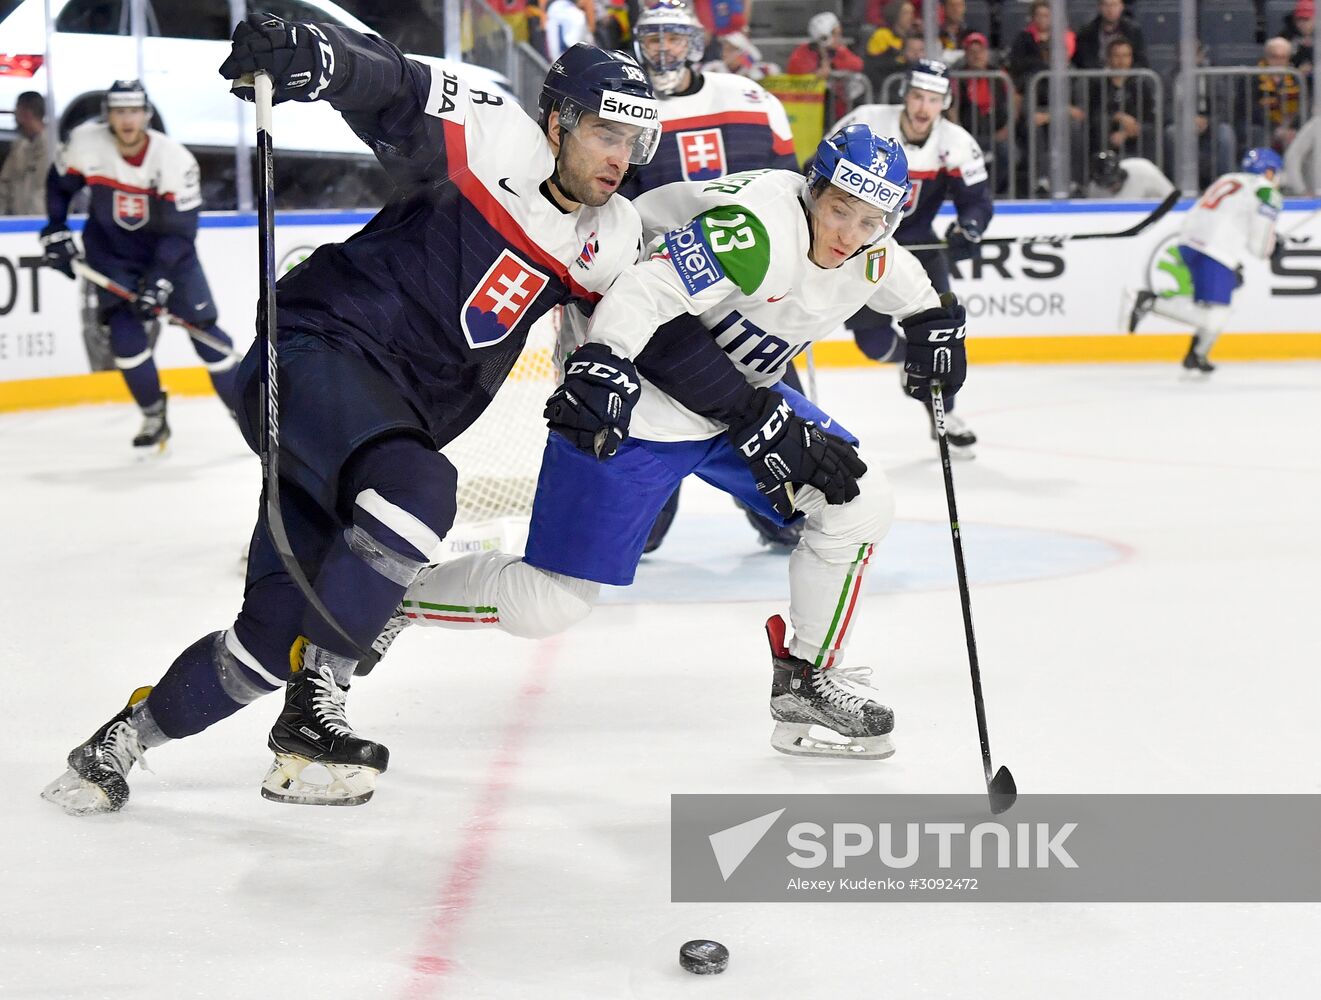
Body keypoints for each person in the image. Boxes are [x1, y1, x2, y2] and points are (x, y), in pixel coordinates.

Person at [40, 19, 662, 815]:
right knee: (421, 487)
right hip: (313, 352)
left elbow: (641, 327)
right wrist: (322, 58)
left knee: (266, 643)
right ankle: (313, 717)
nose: (620, 157)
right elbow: (393, 86)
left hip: (373, 431)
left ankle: (117, 744)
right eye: (606, 132)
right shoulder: (491, 133)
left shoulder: (608, 237)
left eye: (634, 141)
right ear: (558, 121)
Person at [376, 125, 969, 761]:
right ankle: (387, 598)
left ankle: (806, 678)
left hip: (734, 406)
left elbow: (907, 284)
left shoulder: (871, 251)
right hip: (643, 403)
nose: (848, 233)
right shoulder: (757, 231)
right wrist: (604, 359)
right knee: (550, 602)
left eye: (871, 219)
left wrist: (936, 324)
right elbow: (646, 289)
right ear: (812, 190)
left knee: (860, 505)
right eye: (839, 210)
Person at [623, 0, 802, 551]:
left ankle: (783, 514)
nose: (663, 50)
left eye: (674, 38)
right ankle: (637, 525)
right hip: (666, 303)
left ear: (695, 42)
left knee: (773, 418)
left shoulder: (752, 99)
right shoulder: (626, 109)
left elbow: (796, 194)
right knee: (654, 427)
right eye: (653, 38)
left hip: (751, 306)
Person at [39, 80, 241, 449]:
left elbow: (181, 233)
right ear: (108, 115)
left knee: (208, 339)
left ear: (146, 115)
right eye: (119, 111)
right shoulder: (86, 142)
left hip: (171, 260)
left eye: (133, 110)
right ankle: (153, 415)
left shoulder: (174, 160)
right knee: (126, 342)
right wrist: (55, 228)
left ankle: (250, 415)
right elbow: (59, 184)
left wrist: (160, 280)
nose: (126, 119)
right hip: (112, 258)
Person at [833, 59, 991, 455]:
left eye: (933, 100)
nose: (923, 108)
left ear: (945, 102)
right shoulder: (866, 123)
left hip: (920, 246)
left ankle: (944, 416)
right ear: (904, 94)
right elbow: (819, 174)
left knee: (939, 338)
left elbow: (977, 201)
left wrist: (968, 228)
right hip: (861, 244)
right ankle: (909, 361)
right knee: (872, 343)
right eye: (918, 97)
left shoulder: (955, 143)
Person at [1125, 148, 1283, 374]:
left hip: (1188, 242)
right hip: (1215, 250)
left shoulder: (1229, 178)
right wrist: (1273, 245)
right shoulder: (1267, 192)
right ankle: (1151, 302)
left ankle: (1197, 354)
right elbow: (1258, 248)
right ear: (1269, 172)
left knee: (1222, 296)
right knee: (1216, 315)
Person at [788, 11, 865, 120]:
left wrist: (833, 65)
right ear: (825, 37)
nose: (839, 38)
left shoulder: (839, 51)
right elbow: (796, 71)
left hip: (837, 113)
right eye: (836, 34)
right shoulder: (802, 52)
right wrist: (815, 74)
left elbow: (857, 64)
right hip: (809, 111)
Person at [1097, 36, 1155, 158]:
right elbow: (1094, 113)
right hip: (1108, 135)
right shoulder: (1099, 84)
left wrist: (1125, 134)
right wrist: (1117, 117)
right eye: (1117, 56)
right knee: (1100, 124)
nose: (1121, 61)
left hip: (1135, 134)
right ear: (1108, 58)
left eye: (1126, 56)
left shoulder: (1140, 84)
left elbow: (1149, 116)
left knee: (1150, 130)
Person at [0, 91, 48, 215]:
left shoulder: (53, 150)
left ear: (25, 114)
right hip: (18, 226)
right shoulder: (18, 148)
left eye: (17, 113)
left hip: (44, 223)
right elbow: (4, 186)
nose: (15, 119)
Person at [1072, 0, 1148, 71]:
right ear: (1099, 7)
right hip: (1096, 81)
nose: (1110, 10)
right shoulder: (1087, 32)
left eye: (1114, 5)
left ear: (1122, 7)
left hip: (1128, 81)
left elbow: (1141, 60)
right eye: (1106, 5)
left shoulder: (1133, 30)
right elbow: (1084, 61)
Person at [1087, 149, 1173, 199]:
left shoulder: (1143, 170)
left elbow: (1172, 198)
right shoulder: (1095, 188)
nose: (1110, 189)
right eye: (1106, 186)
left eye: (1112, 184)